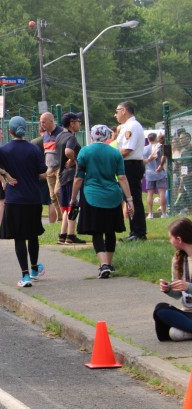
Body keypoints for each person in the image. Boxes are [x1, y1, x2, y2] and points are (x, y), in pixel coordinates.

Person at [0, 116, 47, 288]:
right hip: (33, 198)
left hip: (15, 199)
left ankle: (25, 275)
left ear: (10, 131)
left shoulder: (5, 149)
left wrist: (4, 173)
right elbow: (43, 173)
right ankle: (34, 269)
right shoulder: (34, 149)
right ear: (25, 130)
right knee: (33, 235)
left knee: (19, 237)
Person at [67, 124, 135, 279]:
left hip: (92, 196)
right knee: (110, 231)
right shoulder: (115, 153)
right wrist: (129, 200)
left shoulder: (85, 152)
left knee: (97, 232)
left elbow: (78, 178)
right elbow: (122, 177)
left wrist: (73, 199)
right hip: (113, 196)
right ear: (107, 136)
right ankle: (109, 264)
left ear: (92, 136)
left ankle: (103, 264)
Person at [154, 218, 192, 341]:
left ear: (179, 239)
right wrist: (168, 289)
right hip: (188, 312)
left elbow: (187, 288)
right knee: (160, 309)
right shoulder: (178, 259)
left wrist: (188, 287)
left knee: (174, 333)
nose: (169, 241)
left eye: (170, 238)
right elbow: (178, 295)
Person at [115, 101, 146, 241]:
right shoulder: (128, 126)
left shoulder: (132, 126)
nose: (115, 114)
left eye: (117, 111)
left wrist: (112, 156)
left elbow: (127, 150)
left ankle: (138, 232)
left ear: (124, 111)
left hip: (131, 165)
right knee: (130, 199)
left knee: (133, 198)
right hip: (129, 164)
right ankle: (134, 231)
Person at [54, 112, 86, 245]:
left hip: (62, 175)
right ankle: (71, 235)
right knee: (74, 204)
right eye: (78, 121)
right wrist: (74, 159)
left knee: (66, 206)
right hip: (72, 175)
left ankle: (63, 234)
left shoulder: (59, 136)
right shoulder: (71, 137)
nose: (80, 123)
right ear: (72, 123)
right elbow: (68, 151)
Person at [40, 112, 63, 224]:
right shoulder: (45, 135)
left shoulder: (61, 133)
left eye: (44, 122)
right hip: (49, 168)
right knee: (52, 196)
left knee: (58, 191)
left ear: (51, 121)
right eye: (41, 122)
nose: (42, 124)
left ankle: (65, 215)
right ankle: (60, 218)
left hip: (59, 167)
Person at [144, 132, 167, 219]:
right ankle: (164, 213)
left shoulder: (144, 149)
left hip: (149, 173)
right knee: (162, 193)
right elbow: (163, 156)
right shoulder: (159, 147)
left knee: (150, 194)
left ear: (148, 139)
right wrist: (161, 165)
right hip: (159, 172)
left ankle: (150, 213)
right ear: (156, 138)